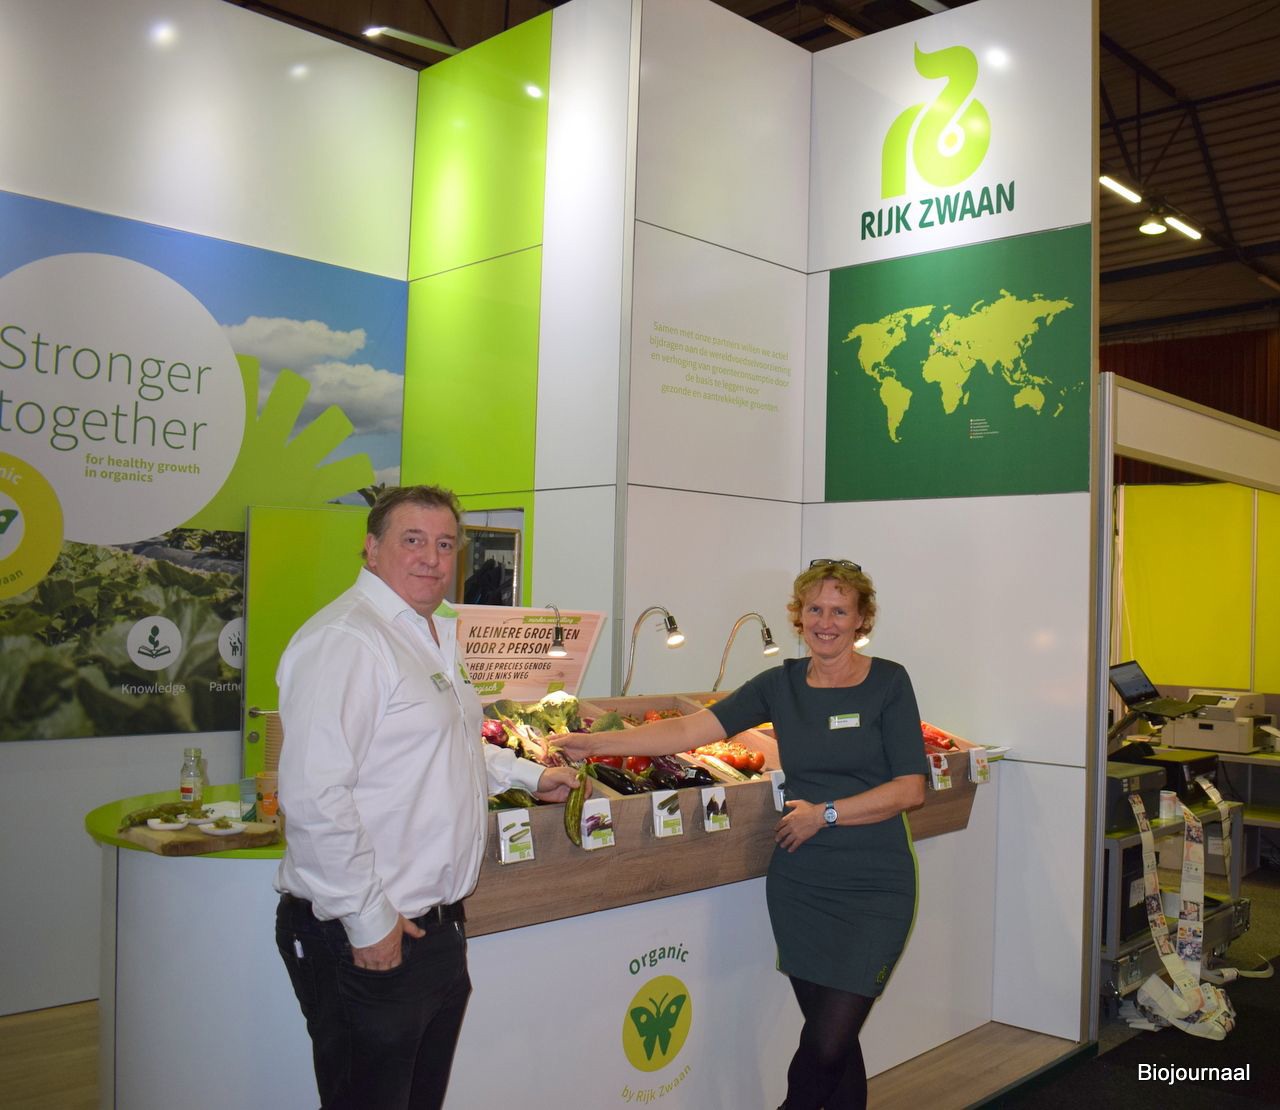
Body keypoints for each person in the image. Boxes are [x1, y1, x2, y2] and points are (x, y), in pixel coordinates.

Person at [561, 559, 926, 1110]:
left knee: (828, 1041)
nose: (825, 622)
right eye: (814, 609)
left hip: (876, 884)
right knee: (835, 1044)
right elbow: (690, 728)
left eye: (839, 611)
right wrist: (597, 744)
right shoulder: (780, 685)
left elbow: (910, 789)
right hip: (803, 883)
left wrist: (825, 814)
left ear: (861, 619)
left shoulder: (889, 682)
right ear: (799, 616)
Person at [273, 484, 581, 1110]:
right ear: (371, 549)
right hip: (368, 932)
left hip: (434, 928)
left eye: (445, 545)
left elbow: (446, 746)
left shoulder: (430, 633)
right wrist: (369, 922)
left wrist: (526, 776)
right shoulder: (347, 640)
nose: (432, 558)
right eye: (412, 540)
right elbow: (313, 796)